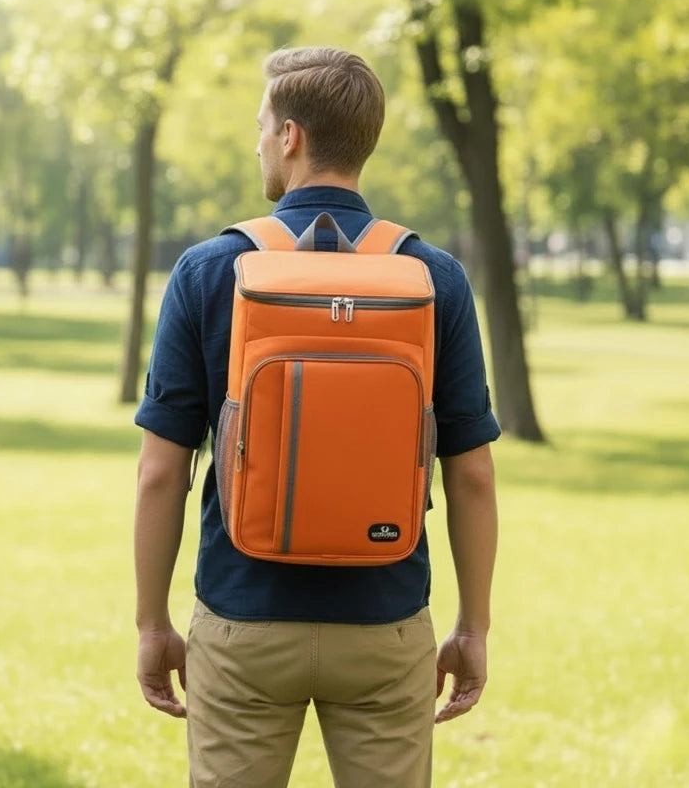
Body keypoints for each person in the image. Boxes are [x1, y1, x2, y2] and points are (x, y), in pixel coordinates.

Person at [133, 46, 500, 788]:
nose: (258, 144)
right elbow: (474, 479)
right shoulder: (434, 278)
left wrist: (151, 623)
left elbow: (160, 474)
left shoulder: (209, 271)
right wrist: (473, 627)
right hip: (386, 623)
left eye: (261, 127)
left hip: (243, 619)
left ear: (291, 136)